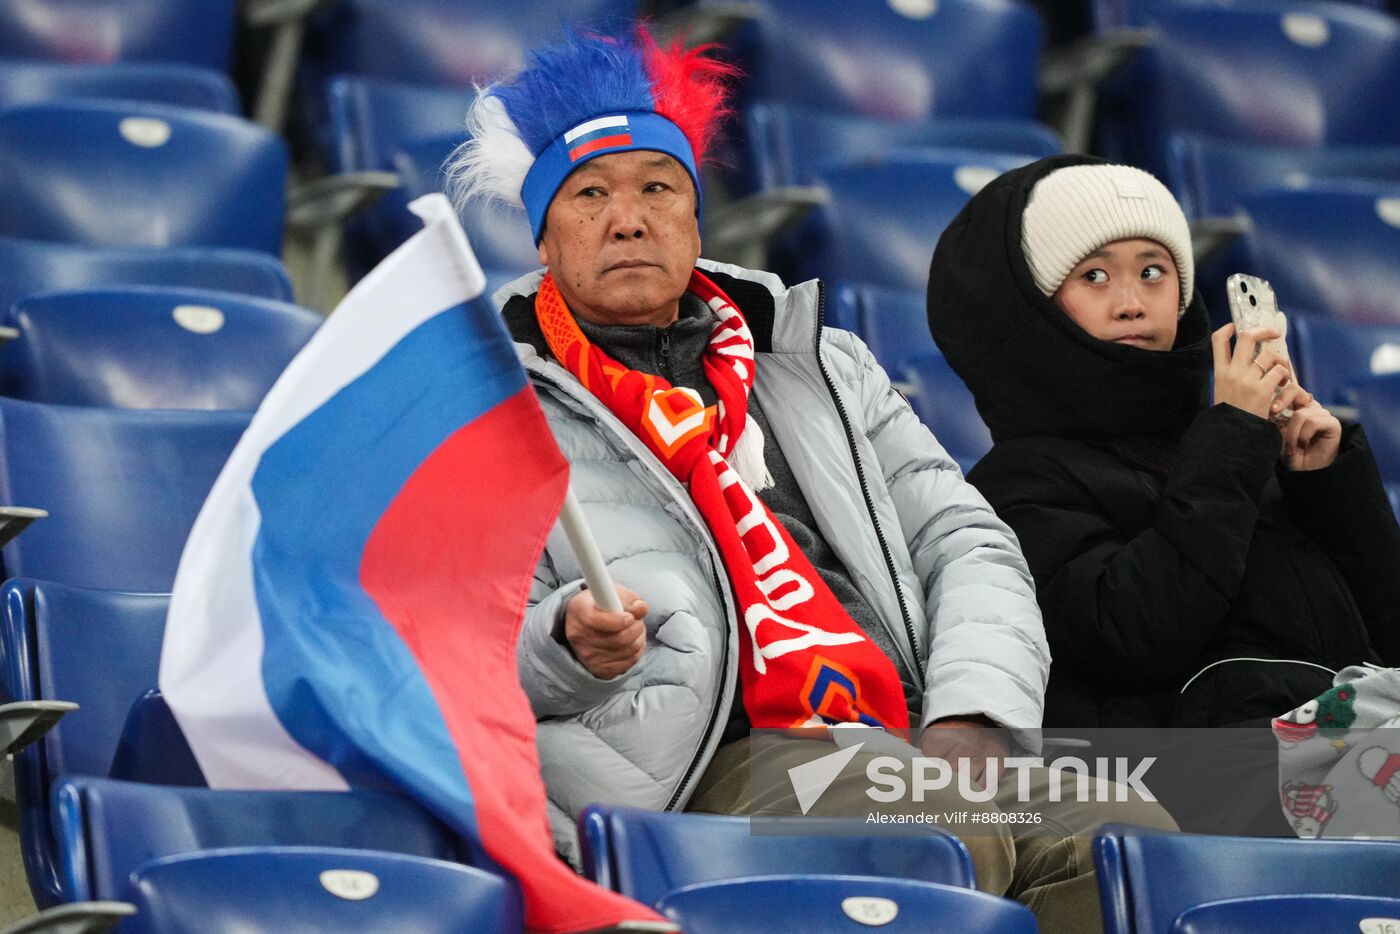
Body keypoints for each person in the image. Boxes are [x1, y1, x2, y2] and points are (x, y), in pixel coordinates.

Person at [449, 31, 1174, 932]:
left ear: (696, 220)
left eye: (657, 189)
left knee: (1124, 835)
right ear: (544, 236)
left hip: (901, 726)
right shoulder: (487, 407)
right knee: (927, 823)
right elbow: (448, 654)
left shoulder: (818, 360)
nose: (628, 218)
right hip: (700, 763)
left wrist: (977, 711)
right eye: (590, 194)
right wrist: (566, 645)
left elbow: (967, 542)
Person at [926, 154, 1400, 735]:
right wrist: (1232, 439)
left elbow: (1387, 633)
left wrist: (1324, 484)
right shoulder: (1016, 484)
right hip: (1198, 783)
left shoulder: (1241, 452)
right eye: (1094, 275)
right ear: (1033, 308)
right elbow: (1134, 636)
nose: (1131, 301)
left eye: (1153, 272)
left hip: (1341, 745)